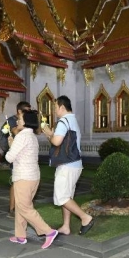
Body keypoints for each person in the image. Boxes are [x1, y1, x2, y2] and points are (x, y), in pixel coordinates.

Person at [41, 96, 95, 236]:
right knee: (67, 196)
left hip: (67, 165)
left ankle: (85, 218)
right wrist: (52, 135)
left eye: (55, 107)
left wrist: (48, 133)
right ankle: (66, 226)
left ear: (62, 107)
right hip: (74, 164)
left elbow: (57, 142)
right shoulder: (72, 120)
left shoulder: (63, 121)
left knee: (62, 197)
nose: (54, 110)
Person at [5, 109, 58, 248]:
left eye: (20, 119)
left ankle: (48, 232)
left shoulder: (22, 136)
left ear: (27, 121)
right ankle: (20, 236)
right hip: (33, 176)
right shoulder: (32, 136)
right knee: (22, 206)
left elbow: (10, 157)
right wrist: (13, 144)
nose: (17, 121)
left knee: (24, 207)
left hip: (23, 177)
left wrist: (11, 146)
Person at [0, 101, 31, 218]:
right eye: (26, 111)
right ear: (19, 111)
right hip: (14, 153)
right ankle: (12, 208)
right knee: (15, 182)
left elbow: (37, 131)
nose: (28, 113)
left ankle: (21, 205)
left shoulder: (25, 121)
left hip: (23, 155)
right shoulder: (13, 120)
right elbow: (15, 131)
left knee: (23, 181)